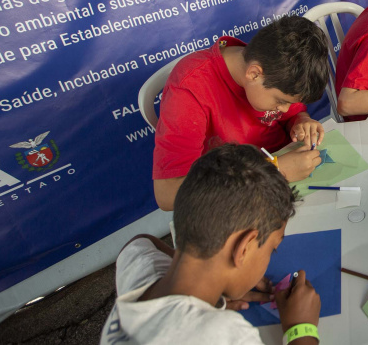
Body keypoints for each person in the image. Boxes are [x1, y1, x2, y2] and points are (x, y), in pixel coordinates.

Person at [101, 144, 321, 345]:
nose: (271, 256)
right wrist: (300, 328)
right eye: (272, 249)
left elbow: (138, 244)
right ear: (243, 249)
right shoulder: (224, 335)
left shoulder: (141, 278)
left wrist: (212, 282)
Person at [153, 16, 330, 211]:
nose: (284, 109)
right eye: (281, 101)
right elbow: (167, 194)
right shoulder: (190, 88)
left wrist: (301, 120)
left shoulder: (274, 68)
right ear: (254, 74)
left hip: (287, 177)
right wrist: (274, 170)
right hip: (235, 196)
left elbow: (291, 114)